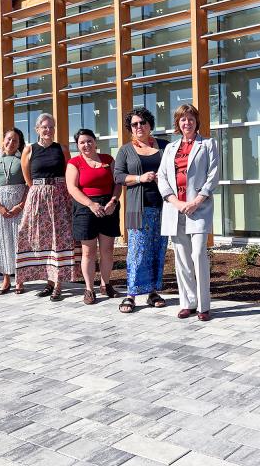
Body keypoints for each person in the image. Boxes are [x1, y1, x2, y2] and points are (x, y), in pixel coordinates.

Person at [157, 104, 219, 321]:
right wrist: (175, 202)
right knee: (182, 258)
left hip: (199, 208)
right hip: (176, 209)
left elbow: (213, 176)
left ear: (196, 121)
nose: (187, 123)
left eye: (190, 119)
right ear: (178, 123)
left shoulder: (208, 144)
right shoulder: (170, 149)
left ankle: (204, 306)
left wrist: (196, 201)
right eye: (183, 120)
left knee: (199, 254)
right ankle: (188, 303)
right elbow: (162, 177)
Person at [114, 108, 168, 313]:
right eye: (135, 124)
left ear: (150, 125)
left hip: (164, 207)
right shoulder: (126, 150)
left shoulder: (164, 146)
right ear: (130, 128)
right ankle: (131, 294)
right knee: (137, 251)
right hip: (138, 209)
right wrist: (139, 178)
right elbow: (118, 176)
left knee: (158, 250)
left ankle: (153, 292)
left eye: (143, 122)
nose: (139, 127)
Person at [15, 114, 75, 301]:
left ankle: (58, 284)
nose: (48, 130)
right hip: (38, 197)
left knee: (60, 237)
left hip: (59, 196)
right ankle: (48, 281)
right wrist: (37, 190)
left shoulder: (61, 149)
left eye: (51, 127)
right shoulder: (29, 150)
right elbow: (27, 176)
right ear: (37, 129)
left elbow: (69, 172)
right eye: (45, 127)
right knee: (41, 237)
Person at [66, 129, 121, 305]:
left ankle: (106, 284)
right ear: (77, 146)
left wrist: (113, 201)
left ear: (95, 142)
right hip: (85, 208)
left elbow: (117, 183)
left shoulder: (108, 160)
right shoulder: (74, 162)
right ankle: (89, 289)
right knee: (88, 252)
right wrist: (91, 204)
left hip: (108, 207)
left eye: (89, 141)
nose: (86, 145)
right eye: (82, 142)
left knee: (107, 250)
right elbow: (72, 188)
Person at [0, 128, 27, 294]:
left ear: (19, 143)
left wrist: (20, 205)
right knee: (2, 241)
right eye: (8, 139)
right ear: (3, 140)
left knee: (19, 241)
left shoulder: (24, 159)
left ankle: (20, 279)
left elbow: (29, 184)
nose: (11, 143)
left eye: (15, 140)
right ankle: (6, 279)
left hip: (19, 207)